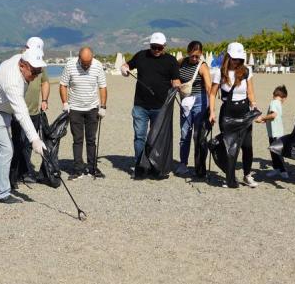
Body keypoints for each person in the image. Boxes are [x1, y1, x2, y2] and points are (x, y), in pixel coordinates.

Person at [0, 47, 47, 203]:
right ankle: (3, 193)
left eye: (39, 72)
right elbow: (22, 112)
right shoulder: (12, 81)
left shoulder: (20, 59)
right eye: (34, 72)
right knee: (6, 149)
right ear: (22, 65)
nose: (36, 76)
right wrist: (35, 139)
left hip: (3, 109)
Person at [121, 32, 180, 177]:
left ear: (164, 46)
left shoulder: (171, 61)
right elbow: (127, 65)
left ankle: (155, 166)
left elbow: (176, 80)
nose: (156, 50)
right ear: (150, 45)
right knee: (139, 137)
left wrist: (178, 87)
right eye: (154, 47)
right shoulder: (141, 56)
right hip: (140, 105)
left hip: (160, 108)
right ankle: (140, 167)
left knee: (156, 138)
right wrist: (124, 69)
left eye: (159, 47)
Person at [208, 42, 259, 188]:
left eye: (239, 59)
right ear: (228, 57)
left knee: (247, 146)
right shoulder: (219, 72)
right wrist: (212, 112)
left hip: (244, 112)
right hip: (228, 113)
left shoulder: (247, 71)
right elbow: (212, 94)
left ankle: (247, 175)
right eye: (234, 58)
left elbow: (250, 92)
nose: (237, 61)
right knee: (229, 146)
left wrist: (254, 107)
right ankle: (229, 177)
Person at [60, 46, 107, 179]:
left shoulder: (97, 65)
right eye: (84, 63)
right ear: (79, 58)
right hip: (75, 108)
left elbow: (102, 86)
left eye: (89, 63)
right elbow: (63, 85)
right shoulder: (70, 65)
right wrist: (65, 103)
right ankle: (77, 169)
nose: (86, 66)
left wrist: (103, 106)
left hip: (92, 108)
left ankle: (92, 167)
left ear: (92, 58)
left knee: (91, 139)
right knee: (77, 139)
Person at [11, 37, 50, 185]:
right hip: (17, 111)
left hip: (34, 110)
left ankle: (25, 172)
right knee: (17, 143)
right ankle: (14, 175)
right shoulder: (19, 62)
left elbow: (45, 82)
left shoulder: (40, 64)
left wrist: (44, 100)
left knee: (28, 144)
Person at [176, 40, 212, 176]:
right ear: (188, 53)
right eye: (192, 56)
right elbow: (173, 75)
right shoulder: (181, 62)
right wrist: (176, 82)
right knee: (184, 133)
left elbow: (209, 87)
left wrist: (211, 109)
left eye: (198, 56)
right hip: (185, 101)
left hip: (200, 101)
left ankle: (199, 167)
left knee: (199, 136)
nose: (195, 58)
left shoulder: (203, 66)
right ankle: (183, 163)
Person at [256, 85, 289, 179]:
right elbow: (274, 116)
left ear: (274, 94)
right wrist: (266, 120)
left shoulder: (273, 102)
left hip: (275, 133)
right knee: (274, 151)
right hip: (276, 132)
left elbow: (273, 115)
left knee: (277, 153)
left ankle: (283, 170)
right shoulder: (277, 103)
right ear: (284, 97)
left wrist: (262, 118)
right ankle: (277, 169)